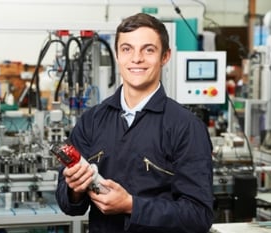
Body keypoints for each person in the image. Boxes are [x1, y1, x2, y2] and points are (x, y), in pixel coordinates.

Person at [55, 12, 213, 233]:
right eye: (127, 49)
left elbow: (199, 216)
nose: (136, 59)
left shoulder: (186, 127)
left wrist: (132, 205)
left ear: (165, 56)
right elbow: (68, 205)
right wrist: (75, 189)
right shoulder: (92, 120)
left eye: (148, 50)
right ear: (118, 55)